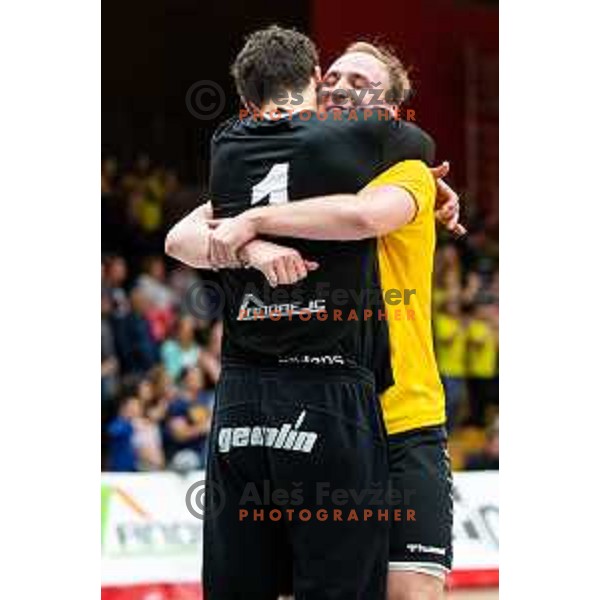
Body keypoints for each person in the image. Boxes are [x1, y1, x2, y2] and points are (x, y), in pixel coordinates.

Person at [167, 26, 445, 600]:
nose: (341, 86)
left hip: (402, 413)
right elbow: (185, 235)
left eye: (360, 80)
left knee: (408, 592)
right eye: (334, 76)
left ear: (388, 107)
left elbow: (366, 215)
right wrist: (247, 242)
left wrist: (253, 223)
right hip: (321, 403)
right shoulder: (297, 168)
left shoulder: (408, 171)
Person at [163, 366, 212, 469]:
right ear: (185, 380)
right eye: (194, 377)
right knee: (188, 460)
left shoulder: (204, 399)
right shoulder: (178, 403)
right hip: (185, 453)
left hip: (204, 451)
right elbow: (179, 434)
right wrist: (204, 428)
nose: (199, 379)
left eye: (200, 376)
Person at [435, 298, 468, 431]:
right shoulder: (441, 320)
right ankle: (443, 429)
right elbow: (445, 340)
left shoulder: (457, 322)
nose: (456, 307)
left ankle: (451, 430)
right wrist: (459, 328)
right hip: (446, 369)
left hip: (459, 369)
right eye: (453, 304)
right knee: (449, 401)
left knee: (457, 402)